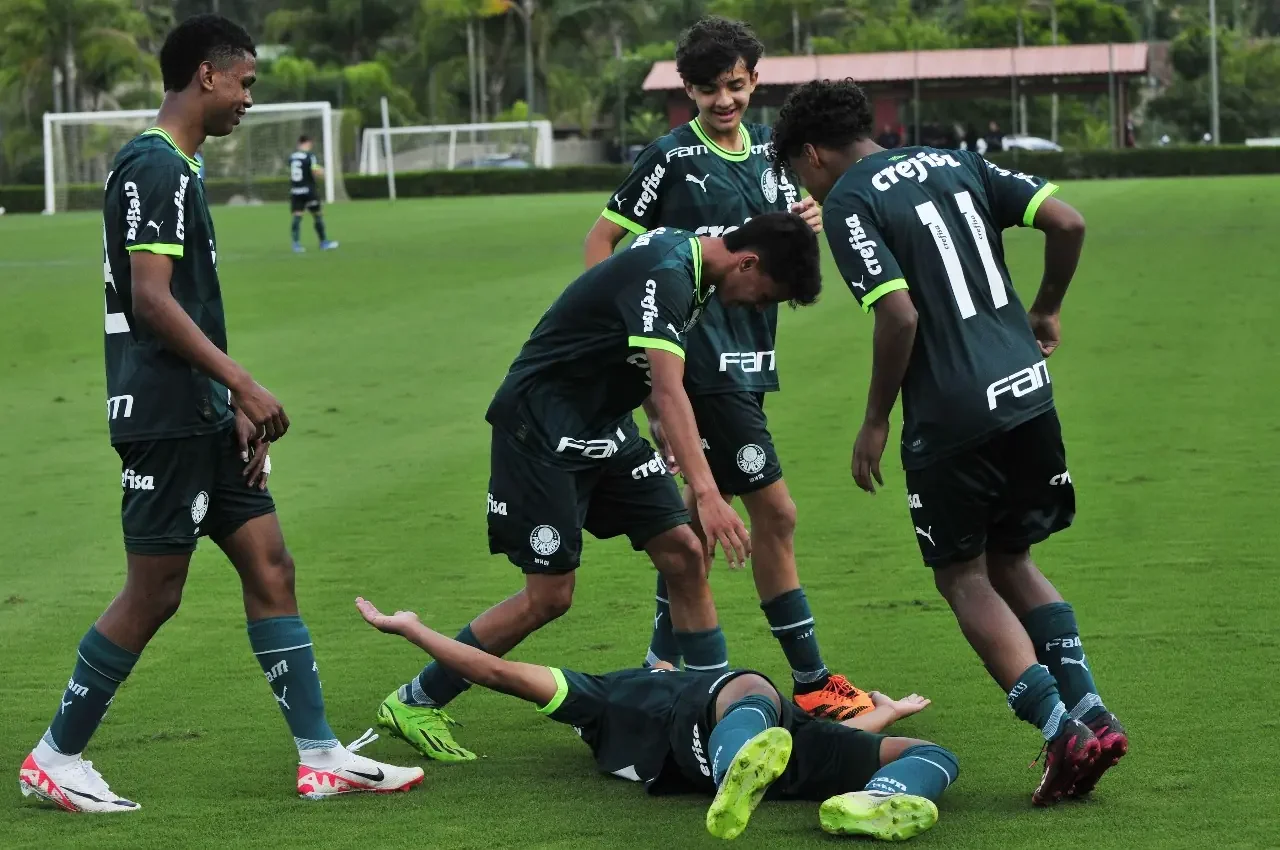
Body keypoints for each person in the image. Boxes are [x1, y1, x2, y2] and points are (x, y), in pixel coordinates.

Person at [18, 15, 422, 814]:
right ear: (207, 74)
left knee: (271, 566)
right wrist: (241, 384)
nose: (249, 99)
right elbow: (151, 301)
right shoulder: (154, 166)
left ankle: (320, 757)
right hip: (164, 417)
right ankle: (53, 757)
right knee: (154, 592)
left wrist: (224, 403)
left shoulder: (181, 168)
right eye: (245, 82)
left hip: (198, 413)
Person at [768, 78, 1127, 806]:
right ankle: (1090, 710)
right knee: (1013, 557)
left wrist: (875, 420)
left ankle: (1061, 731)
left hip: (953, 412)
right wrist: (1046, 309)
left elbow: (898, 316)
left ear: (812, 154)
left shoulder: (849, 202)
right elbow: (1067, 222)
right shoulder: (957, 161)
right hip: (1027, 391)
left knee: (962, 575)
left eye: (796, 170)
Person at [378, 216, 823, 762]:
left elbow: (623, 345)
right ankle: (415, 699)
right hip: (539, 432)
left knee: (682, 554)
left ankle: (713, 707)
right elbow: (668, 383)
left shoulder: (693, 269)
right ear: (747, 261)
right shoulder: (671, 273)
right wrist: (706, 492)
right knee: (550, 597)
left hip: (604, 430)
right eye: (764, 296)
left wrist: (656, 423)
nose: (756, 308)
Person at [581, 16, 871, 722]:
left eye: (734, 86)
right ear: (687, 89)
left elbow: (775, 243)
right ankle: (812, 681)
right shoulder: (672, 159)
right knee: (775, 512)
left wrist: (807, 217)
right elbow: (601, 242)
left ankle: (661, 663)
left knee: (689, 524)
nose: (722, 101)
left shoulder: (775, 158)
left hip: (752, 362)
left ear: (755, 81)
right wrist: (632, 335)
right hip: (700, 366)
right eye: (707, 89)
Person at [357, 596, 958, 841]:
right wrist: (414, 631)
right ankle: (739, 770)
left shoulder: (606, 711)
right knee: (749, 689)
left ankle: (872, 803)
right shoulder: (608, 692)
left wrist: (885, 714)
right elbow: (499, 672)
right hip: (728, 736)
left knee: (924, 749)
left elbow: (823, 740)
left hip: (724, 760)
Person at [289, 134, 337, 252]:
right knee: (317, 215)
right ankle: (324, 242)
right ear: (307, 143)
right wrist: (323, 172)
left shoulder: (292, 157)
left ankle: (296, 245)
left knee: (297, 216)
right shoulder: (310, 156)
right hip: (309, 191)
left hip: (295, 191)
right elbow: (315, 171)